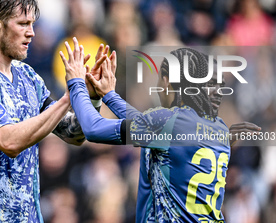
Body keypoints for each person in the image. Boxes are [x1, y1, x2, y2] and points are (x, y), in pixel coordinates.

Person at [0, 0, 102, 222]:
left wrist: (90, 96)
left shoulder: (29, 77)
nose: (31, 33)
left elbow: (74, 135)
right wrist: (68, 97)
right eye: (22, 24)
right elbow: (9, 141)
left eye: (32, 24)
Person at [60, 43, 260, 222]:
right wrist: (110, 96)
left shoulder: (166, 122)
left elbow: (93, 129)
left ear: (166, 82)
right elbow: (145, 123)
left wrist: (77, 83)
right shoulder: (218, 126)